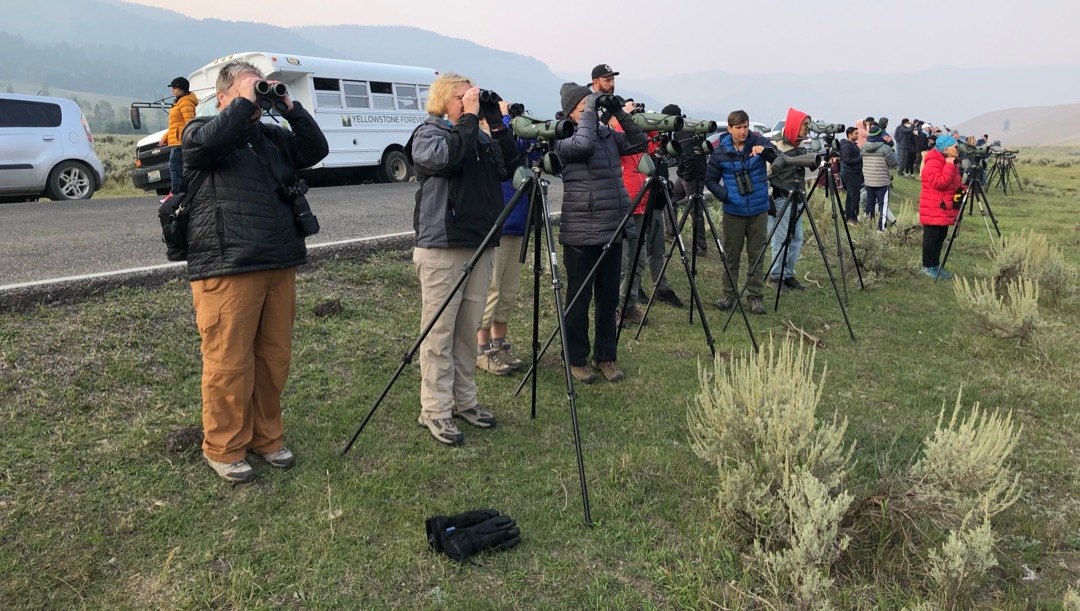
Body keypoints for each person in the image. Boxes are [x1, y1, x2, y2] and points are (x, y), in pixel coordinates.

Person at [181, 60, 329, 482]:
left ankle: (267, 437)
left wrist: (288, 105)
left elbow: (315, 150)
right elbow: (208, 146)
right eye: (249, 89)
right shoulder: (200, 130)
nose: (257, 97)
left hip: (278, 259)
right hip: (229, 263)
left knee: (273, 359)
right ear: (223, 96)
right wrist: (243, 104)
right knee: (229, 362)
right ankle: (224, 446)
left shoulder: (270, 137)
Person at [406, 72, 519, 445]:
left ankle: (464, 401)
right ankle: (435, 410)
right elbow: (448, 160)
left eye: (471, 95)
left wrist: (497, 123)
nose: (469, 101)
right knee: (439, 334)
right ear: (443, 99)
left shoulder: (478, 133)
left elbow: (509, 167)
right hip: (443, 246)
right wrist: (470, 119)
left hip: (480, 244)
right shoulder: (429, 133)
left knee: (468, 333)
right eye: (462, 96)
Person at [555, 82, 648, 383]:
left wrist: (619, 111)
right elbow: (583, 145)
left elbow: (639, 143)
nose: (590, 111)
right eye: (584, 106)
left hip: (612, 226)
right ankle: (576, 358)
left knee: (608, 299)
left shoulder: (607, 135)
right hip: (581, 230)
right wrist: (590, 112)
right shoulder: (562, 136)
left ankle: (606, 355)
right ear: (571, 112)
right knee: (578, 298)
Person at [476, 100, 533, 377]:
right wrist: (505, 117)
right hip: (499, 224)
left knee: (508, 291)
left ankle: (500, 344)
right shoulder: (491, 141)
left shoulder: (522, 143)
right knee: (493, 289)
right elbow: (504, 149)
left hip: (519, 224)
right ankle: (482, 350)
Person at [704, 109, 776, 315]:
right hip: (733, 211)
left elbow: (776, 159)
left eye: (745, 127)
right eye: (738, 128)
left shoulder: (759, 142)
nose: (743, 131)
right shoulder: (720, 151)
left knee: (757, 255)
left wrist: (764, 151)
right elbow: (710, 180)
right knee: (731, 255)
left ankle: (755, 297)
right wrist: (726, 196)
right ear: (730, 129)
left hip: (759, 209)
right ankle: (729, 294)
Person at [766, 108, 815, 292]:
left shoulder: (800, 145)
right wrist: (768, 198)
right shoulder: (774, 145)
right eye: (804, 124)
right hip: (781, 197)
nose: (807, 128)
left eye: (808, 125)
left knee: (797, 238)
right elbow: (766, 172)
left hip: (797, 197)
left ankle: (788, 274)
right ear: (794, 124)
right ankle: (775, 276)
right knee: (781, 238)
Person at [666, 103, 709, 258]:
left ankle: (700, 246)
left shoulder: (683, 131)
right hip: (687, 174)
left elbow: (689, 157)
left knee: (695, 210)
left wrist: (686, 176)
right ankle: (671, 233)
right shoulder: (685, 127)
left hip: (691, 175)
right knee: (670, 199)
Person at [918, 134, 963, 279]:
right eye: (955, 147)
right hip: (934, 206)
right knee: (931, 238)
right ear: (945, 148)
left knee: (940, 236)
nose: (957, 149)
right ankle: (926, 266)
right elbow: (940, 183)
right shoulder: (933, 161)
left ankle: (936, 265)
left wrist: (964, 188)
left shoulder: (947, 160)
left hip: (944, 206)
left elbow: (952, 182)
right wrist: (950, 165)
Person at [160, 76, 198, 200]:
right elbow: (175, 124)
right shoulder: (179, 102)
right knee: (175, 167)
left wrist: (186, 138)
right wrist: (166, 136)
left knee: (175, 168)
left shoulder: (185, 102)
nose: (172, 90)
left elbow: (189, 123)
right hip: (176, 141)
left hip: (180, 142)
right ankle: (178, 193)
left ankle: (176, 194)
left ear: (181, 89)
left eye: (174, 88)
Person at [861, 123, 898, 230]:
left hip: (868, 180)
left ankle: (869, 225)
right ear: (880, 135)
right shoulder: (885, 148)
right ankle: (881, 228)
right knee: (883, 205)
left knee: (870, 203)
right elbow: (894, 163)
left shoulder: (864, 148)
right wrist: (890, 144)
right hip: (882, 181)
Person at [839, 126, 863, 224]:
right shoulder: (847, 146)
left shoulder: (854, 145)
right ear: (850, 135)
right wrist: (861, 158)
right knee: (855, 197)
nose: (858, 136)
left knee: (850, 195)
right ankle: (853, 218)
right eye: (856, 134)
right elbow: (847, 160)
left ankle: (848, 215)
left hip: (854, 173)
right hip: (850, 174)